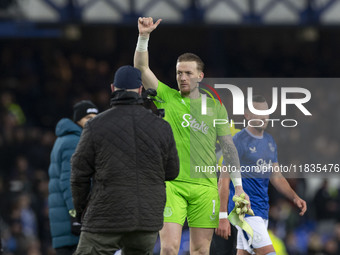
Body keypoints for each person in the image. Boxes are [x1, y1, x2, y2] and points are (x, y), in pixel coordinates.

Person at [134, 17, 249, 255]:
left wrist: (238, 187)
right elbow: (142, 69)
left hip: (205, 188)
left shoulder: (215, 107)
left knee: (199, 250)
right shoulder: (167, 96)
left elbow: (229, 149)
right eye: (179, 73)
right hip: (172, 185)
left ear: (200, 76)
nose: (182, 77)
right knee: (169, 248)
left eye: (188, 73)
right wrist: (144, 37)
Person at [71, 65, 180, 255]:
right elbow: (172, 172)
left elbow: (79, 173)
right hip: (146, 220)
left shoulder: (95, 125)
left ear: (113, 89)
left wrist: (81, 210)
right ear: (140, 90)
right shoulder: (162, 127)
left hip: (106, 217)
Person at [227, 95, 307, 255]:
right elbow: (227, 174)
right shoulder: (239, 140)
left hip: (262, 209)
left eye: (266, 111)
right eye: (258, 111)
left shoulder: (269, 141)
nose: (263, 116)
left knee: (244, 253)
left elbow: (276, 175)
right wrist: (225, 211)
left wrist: (294, 196)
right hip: (245, 209)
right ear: (247, 115)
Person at [48, 100, 98, 255]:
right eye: (88, 118)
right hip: (73, 228)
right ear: (77, 120)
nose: (93, 121)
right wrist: (75, 216)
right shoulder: (74, 141)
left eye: (96, 117)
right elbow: (70, 181)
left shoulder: (65, 139)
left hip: (64, 227)